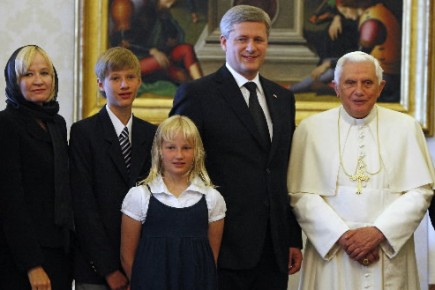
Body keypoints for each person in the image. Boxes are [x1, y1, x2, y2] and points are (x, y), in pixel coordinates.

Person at [170, 5, 303, 290]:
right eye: (242, 39)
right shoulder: (197, 95)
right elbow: (176, 170)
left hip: (273, 249)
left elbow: (282, 171)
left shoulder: (283, 99)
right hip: (219, 246)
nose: (251, 47)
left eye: (259, 40)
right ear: (224, 42)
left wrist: (292, 237)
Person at [287, 51, 435, 289]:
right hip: (333, 254)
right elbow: (300, 194)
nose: (359, 90)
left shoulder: (406, 128)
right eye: (350, 83)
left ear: (381, 87)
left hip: (387, 251)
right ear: (336, 87)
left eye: (367, 82)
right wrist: (343, 237)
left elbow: (421, 192)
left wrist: (379, 232)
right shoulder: (310, 130)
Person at [70, 47, 157, 290]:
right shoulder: (83, 133)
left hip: (143, 263)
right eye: (115, 78)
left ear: (139, 81)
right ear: (100, 84)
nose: (124, 85)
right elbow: (83, 206)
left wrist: (136, 266)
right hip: (96, 267)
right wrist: (109, 269)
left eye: (130, 77)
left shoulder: (151, 134)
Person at [120, 115, 226, 289]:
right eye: (171, 147)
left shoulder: (212, 198)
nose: (179, 155)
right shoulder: (140, 196)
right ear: (159, 150)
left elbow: (210, 258)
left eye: (186, 148)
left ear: (197, 151)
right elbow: (127, 256)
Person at [0, 45, 74, 289]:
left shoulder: (57, 123)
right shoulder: (6, 124)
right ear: (14, 80)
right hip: (21, 258)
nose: (38, 80)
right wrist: (32, 264)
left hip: (59, 251)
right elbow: (10, 201)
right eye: (28, 74)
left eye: (45, 73)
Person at [110, 0, 203, 86]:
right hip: (136, 59)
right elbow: (127, 43)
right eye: (168, 1)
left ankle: (201, 84)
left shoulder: (163, 13)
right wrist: (151, 51)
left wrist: (172, 38)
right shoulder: (140, 12)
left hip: (162, 53)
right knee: (160, 62)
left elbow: (173, 34)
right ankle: (184, 80)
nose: (170, 5)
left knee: (186, 48)